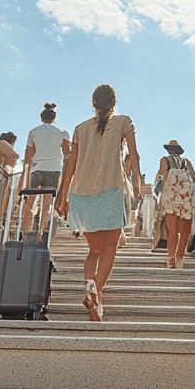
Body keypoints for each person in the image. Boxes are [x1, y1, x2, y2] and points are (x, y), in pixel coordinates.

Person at [55, 84, 140, 321]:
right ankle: (97, 291)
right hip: (110, 191)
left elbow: (70, 164)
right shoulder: (124, 121)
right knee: (110, 248)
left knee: (94, 250)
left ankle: (90, 285)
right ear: (114, 102)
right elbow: (133, 155)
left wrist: (63, 195)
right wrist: (136, 181)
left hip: (81, 195)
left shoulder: (80, 128)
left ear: (93, 104)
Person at [23, 103, 70, 232]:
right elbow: (67, 154)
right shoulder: (62, 132)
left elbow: (28, 155)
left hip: (37, 168)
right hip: (54, 169)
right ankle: (41, 232)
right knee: (47, 202)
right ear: (54, 117)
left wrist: (24, 174)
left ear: (41, 117)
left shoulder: (33, 132)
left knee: (30, 200)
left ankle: (25, 231)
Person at [154, 140, 195, 269]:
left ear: (169, 150)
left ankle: (171, 259)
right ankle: (180, 258)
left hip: (171, 195)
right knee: (185, 231)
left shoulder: (165, 160)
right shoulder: (187, 162)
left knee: (172, 230)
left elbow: (161, 175)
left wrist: (157, 188)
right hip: (186, 196)